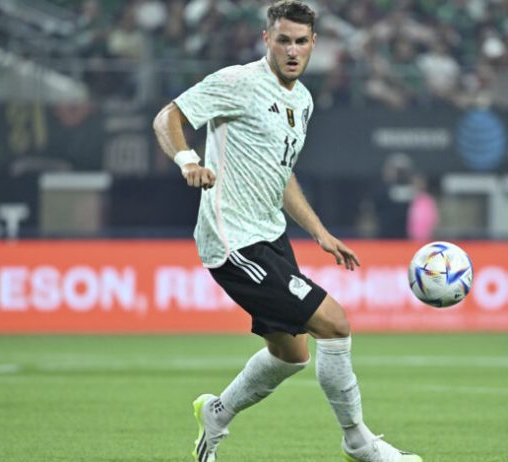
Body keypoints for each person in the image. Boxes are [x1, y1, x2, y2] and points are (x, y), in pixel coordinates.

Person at [151, 2, 422, 461]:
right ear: (266, 40)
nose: (292, 51)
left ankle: (216, 414)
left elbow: (282, 176)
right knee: (334, 324)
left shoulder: (303, 101)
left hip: (271, 235)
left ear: (314, 44)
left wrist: (319, 232)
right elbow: (168, 117)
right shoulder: (238, 82)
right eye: (283, 40)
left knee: (291, 354)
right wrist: (188, 160)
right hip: (233, 240)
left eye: (300, 42)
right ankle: (357, 441)